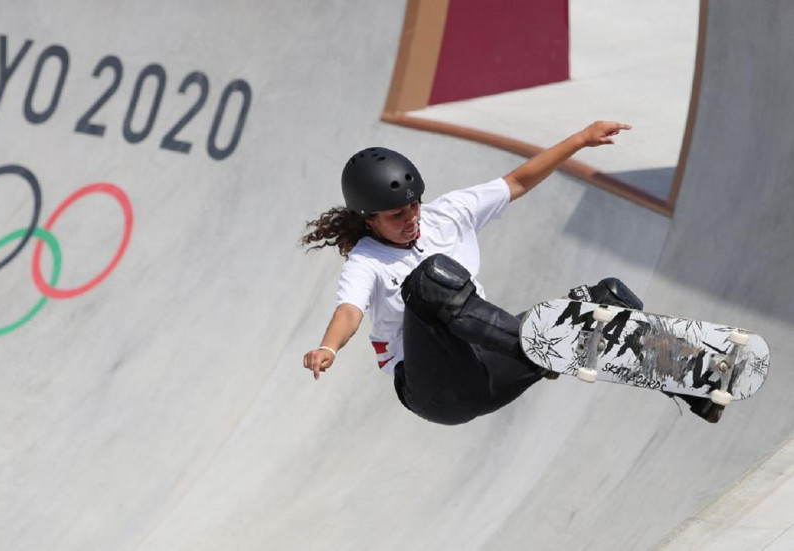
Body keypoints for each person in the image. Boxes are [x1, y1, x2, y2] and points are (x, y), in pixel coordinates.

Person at [301, 121, 724, 424]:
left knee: (607, 301)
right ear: (369, 219)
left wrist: (578, 139)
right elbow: (349, 311)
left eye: (415, 205)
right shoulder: (367, 260)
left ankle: (688, 377)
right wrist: (329, 348)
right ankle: (542, 345)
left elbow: (517, 182)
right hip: (434, 390)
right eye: (397, 214)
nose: (412, 218)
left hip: (491, 367)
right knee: (430, 279)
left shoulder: (448, 214)